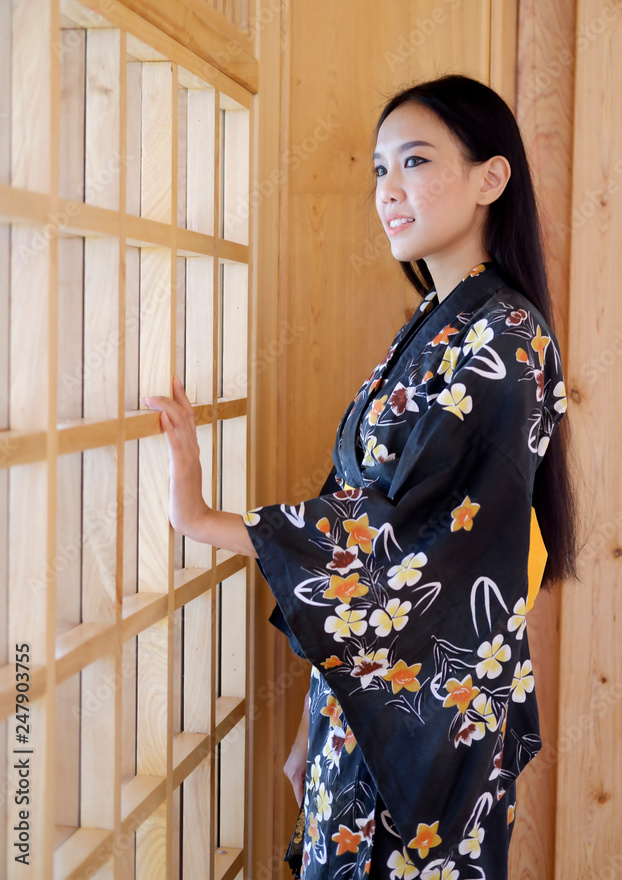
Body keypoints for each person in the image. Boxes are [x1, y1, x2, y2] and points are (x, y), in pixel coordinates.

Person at [142, 74, 582, 879]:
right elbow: (364, 515)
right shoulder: (431, 322)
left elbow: (419, 544)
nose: (388, 190)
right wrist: (326, 708)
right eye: (378, 169)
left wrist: (205, 519)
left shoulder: (506, 337)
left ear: (491, 178)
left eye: (413, 162)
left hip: (429, 705)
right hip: (376, 689)